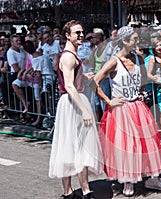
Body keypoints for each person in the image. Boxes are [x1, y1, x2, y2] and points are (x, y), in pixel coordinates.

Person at [92, 26, 161, 197]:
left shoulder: (138, 57)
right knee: (127, 146)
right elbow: (94, 82)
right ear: (124, 41)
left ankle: (153, 178)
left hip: (137, 106)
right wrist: (108, 101)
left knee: (149, 142)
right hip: (121, 109)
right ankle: (128, 180)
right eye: (134, 39)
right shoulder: (114, 61)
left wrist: (142, 91)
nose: (138, 42)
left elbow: (143, 77)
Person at [49, 20, 103, 199]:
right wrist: (85, 111)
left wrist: (85, 77)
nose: (81, 35)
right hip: (72, 103)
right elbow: (70, 86)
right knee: (73, 146)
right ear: (67, 35)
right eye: (77, 33)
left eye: (82, 32)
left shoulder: (72, 55)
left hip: (74, 100)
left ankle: (77, 190)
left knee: (76, 145)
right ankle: (73, 191)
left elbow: (72, 81)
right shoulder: (68, 56)